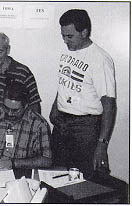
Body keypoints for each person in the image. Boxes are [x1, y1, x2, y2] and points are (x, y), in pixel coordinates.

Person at [49, 9, 116, 177]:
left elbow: (109, 104)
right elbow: (66, 82)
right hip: (62, 123)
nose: (65, 40)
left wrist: (102, 144)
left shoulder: (100, 59)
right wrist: (55, 107)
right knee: (57, 174)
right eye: (63, 36)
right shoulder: (68, 51)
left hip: (85, 127)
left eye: (69, 36)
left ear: (84, 32)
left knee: (85, 178)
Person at [0, 80, 52, 171]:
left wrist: (13, 163)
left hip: (22, 171)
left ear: (26, 106)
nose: (9, 113)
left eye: (15, 110)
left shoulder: (39, 124)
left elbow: (46, 160)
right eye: (6, 108)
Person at [0, 32, 42, 121]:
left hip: (15, 129)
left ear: (8, 49)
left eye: (0, 52)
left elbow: (35, 106)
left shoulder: (23, 72)